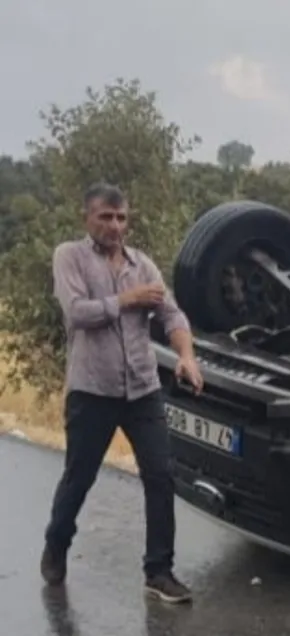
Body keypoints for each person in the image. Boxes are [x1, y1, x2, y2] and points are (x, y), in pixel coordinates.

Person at [41, 182, 204, 604]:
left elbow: (172, 313)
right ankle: (56, 544)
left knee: (161, 474)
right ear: (87, 218)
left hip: (143, 390)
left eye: (121, 218)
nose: (115, 226)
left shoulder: (142, 264)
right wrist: (126, 299)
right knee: (80, 477)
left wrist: (186, 355)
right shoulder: (69, 256)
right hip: (92, 390)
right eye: (105, 217)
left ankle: (159, 571)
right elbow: (77, 314)